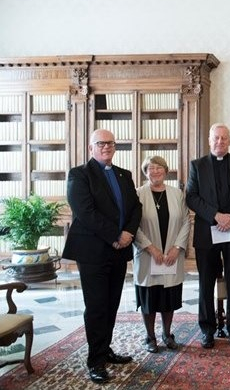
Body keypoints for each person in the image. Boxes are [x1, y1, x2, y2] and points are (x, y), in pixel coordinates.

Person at [62, 129, 142, 384]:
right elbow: (86, 212)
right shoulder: (79, 174)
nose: (106, 147)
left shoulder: (124, 174)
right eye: (100, 143)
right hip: (93, 250)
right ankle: (95, 360)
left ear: (115, 147)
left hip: (118, 250)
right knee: (97, 307)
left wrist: (128, 233)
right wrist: (116, 235)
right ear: (91, 148)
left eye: (110, 143)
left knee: (111, 304)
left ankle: (105, 349)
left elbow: (136, 207)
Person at [186, 123, 230, 349]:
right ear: (209, 140)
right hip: (207, 232)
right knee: (206, 283)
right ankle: (207, 330)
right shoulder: (197, 165)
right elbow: (191, 197)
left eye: (224, 138)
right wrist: (216, 216)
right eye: (216, 138)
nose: (219, 142)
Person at [133, 156, 190, 353]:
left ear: (166, 171)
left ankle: (167, 334)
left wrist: (177, 247)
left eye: (159, 168)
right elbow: (133, 225)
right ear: (145, 172)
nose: (155, 171)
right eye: (151, 168)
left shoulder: (176, 194)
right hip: (148, 256)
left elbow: (186, 221)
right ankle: (150, 337)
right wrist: (150, 248)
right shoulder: (138, 194)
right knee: (149, 298)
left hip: (171, 257)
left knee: (168, 297)